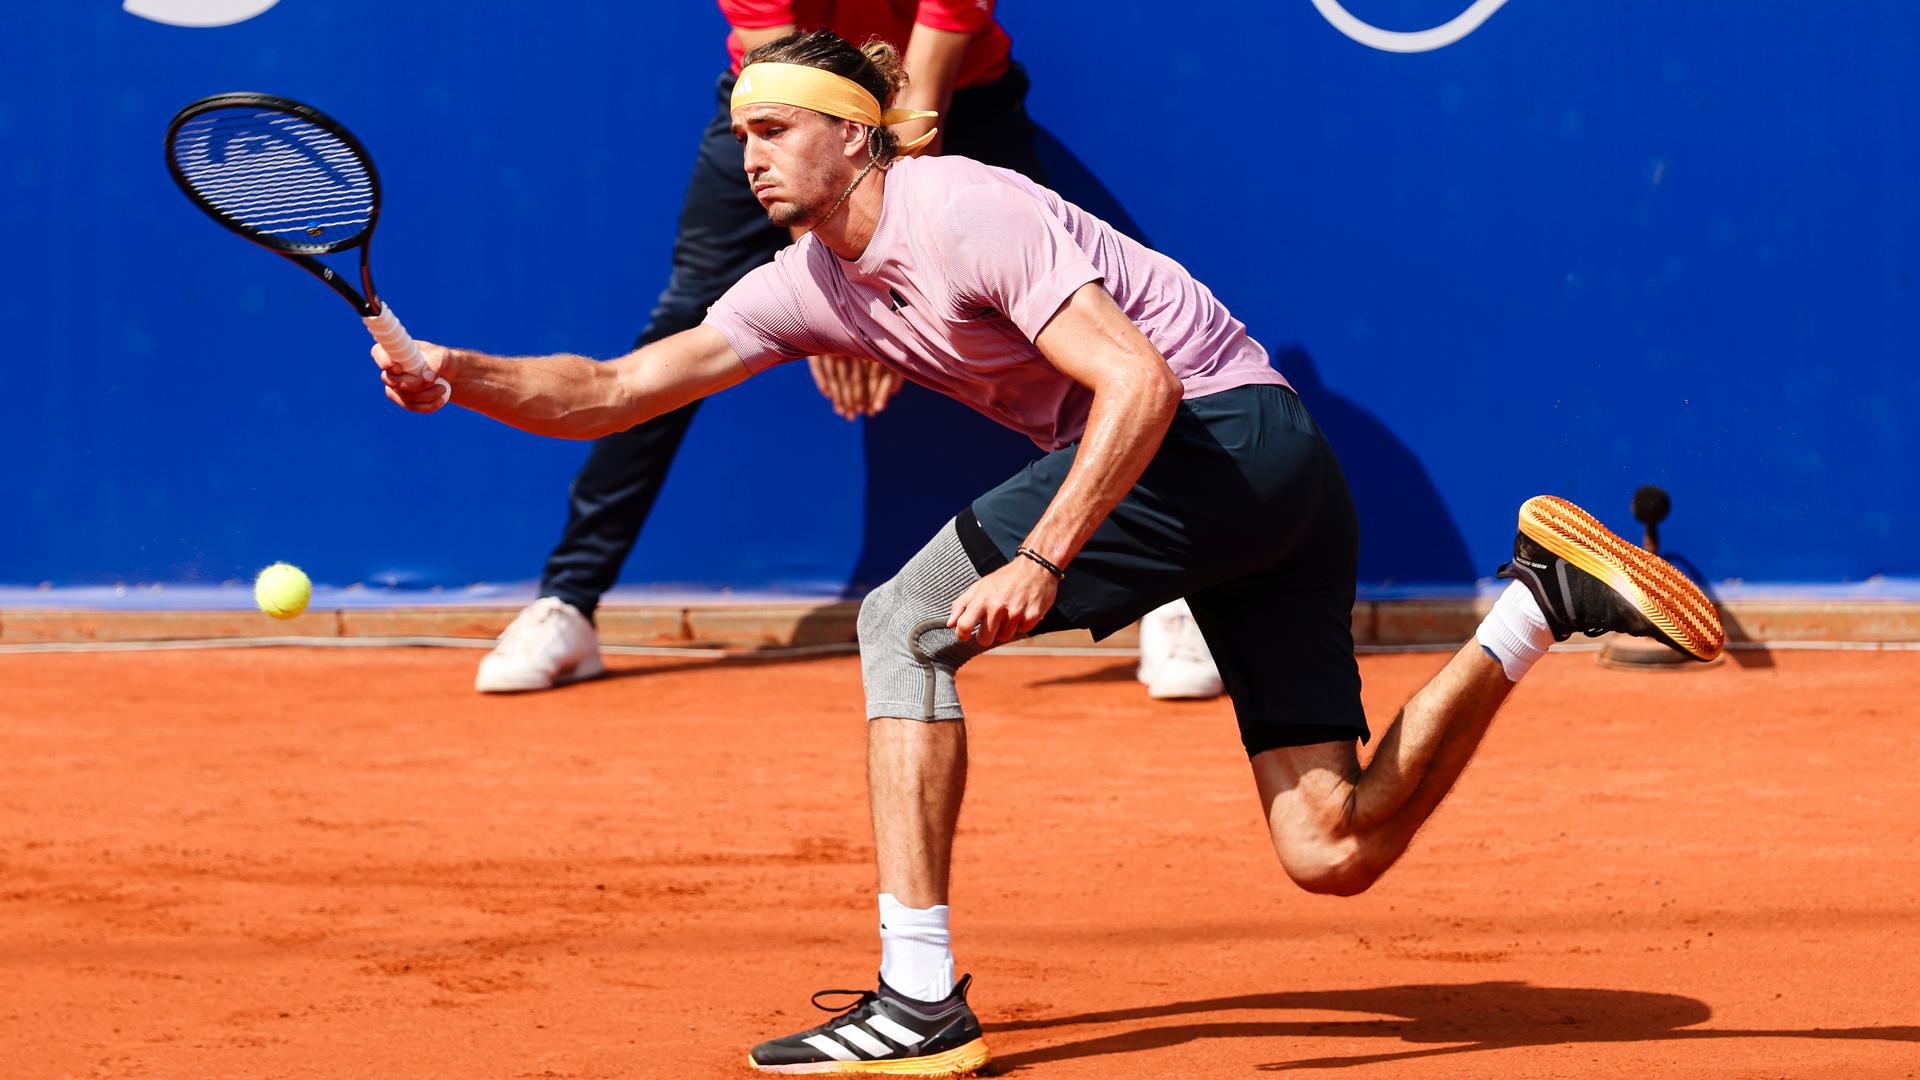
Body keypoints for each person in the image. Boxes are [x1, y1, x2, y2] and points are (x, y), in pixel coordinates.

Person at [374, 31, 1726, 1075]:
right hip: (1276, 478)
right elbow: (611, 392)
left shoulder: (961, 206)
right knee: (1331, 848)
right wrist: (452, 369)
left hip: (1219, 437)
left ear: (856, 137)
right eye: (739, 136)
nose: (749, 158)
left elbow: (1134, 384)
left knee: (903, 617)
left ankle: (917, 996)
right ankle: (1536, 607)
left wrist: (1047, 553)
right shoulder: (806, 287)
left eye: (775, 129)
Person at [474, 0, 1049, 694]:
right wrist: (835, 289)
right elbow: (784, 82)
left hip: (951, 100)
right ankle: (567, 601)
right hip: (779, 104)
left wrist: (860, 269)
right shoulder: (769, 118)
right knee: (685, 324)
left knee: (1052, 318)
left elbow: (915, 104)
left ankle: (1174, 581)